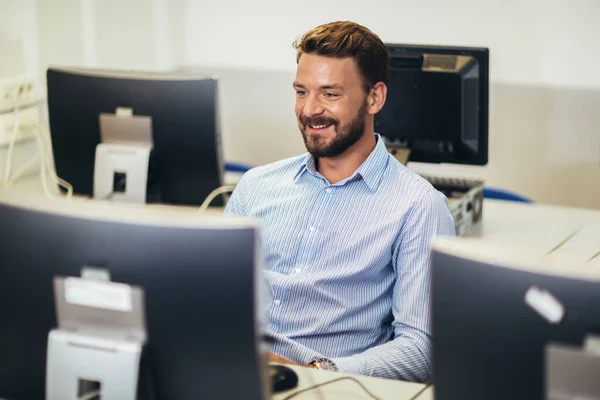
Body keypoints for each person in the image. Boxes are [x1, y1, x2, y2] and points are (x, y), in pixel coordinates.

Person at [224, 21, 455, 382]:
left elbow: (421, 350)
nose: (309, 110)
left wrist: (313, 371)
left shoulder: (419, 206)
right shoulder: (256, 185)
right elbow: (214, 295)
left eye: (329, 94)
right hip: (231, 370)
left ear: (374, 98)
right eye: (302, 92)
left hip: (325, 385)